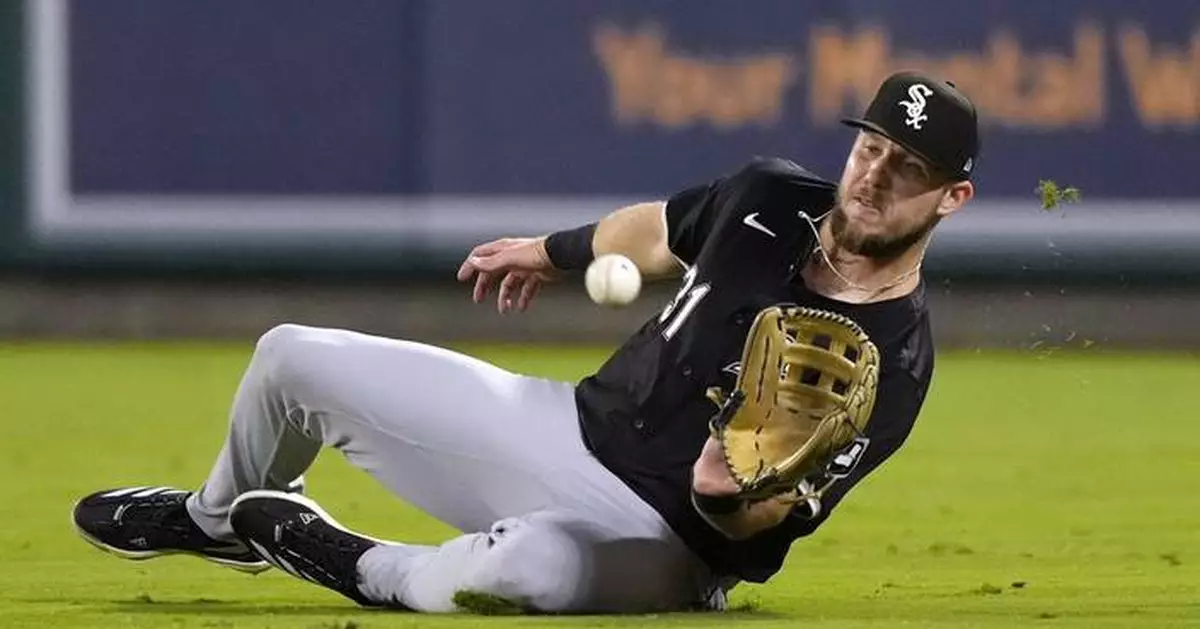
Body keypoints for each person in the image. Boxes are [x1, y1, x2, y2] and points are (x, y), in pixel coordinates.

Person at [71, 71, 979, 614]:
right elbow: (658, 231)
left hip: (664, 545)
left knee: (526, 568)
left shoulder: (895, 363)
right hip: (566, 429)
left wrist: (730, 494)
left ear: (950, 198)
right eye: (871, 148)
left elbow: (755, 540)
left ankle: (361, 566)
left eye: (909, 169)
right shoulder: (769, 196)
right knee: (289, 356)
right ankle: (218, 519)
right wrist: (550, 252)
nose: (876, 175)